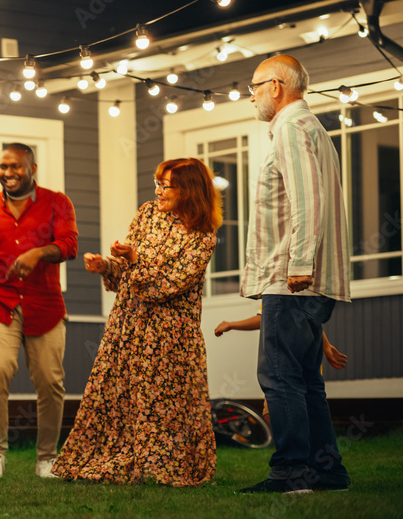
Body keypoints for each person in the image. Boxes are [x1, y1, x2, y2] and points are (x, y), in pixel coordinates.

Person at [51, 158, 220, 487]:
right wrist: (107, 266)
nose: (158, 191)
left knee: (165, 405)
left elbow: (167, 286)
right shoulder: (147, 214)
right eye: (156, 183)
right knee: (119, 398)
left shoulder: (203, 237)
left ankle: (165, 467)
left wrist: (133, 259)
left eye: (165, 185)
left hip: (170, 336)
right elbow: (128, 273)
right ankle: (115, 459)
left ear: (188, 190)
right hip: (128, 325)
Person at [240, 54, 352, 494]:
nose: (250, 95)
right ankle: (327, 472)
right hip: (310, 278)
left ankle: (290, 474)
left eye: (254, 86)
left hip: (293, 277)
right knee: (307, 381)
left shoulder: (290, 128)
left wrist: (300, 264)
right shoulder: (315, 130)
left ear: (276, 87)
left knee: (279, 377)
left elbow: (308, 200)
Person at [0, 143, 78, 480]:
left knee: (51, 382)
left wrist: (38, 253)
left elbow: (69, 245)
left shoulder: (57, 202)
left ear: (32, 169)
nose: (8, 173)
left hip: (46, 304)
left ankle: (47, 458)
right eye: (3, 167)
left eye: (15, 167)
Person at [215, 311, 348, 425]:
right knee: (276, 413)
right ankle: (298, 450)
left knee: (276, 413)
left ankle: (297, 450)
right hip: (291, 362)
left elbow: (264, 319)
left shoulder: (277, 290)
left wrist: (231, 324)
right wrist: (326, 346)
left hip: (291, 363)